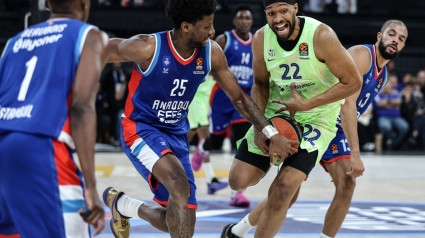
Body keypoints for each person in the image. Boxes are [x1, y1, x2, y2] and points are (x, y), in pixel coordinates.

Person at [102, 0, 297, 237]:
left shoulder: (211, 51)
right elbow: (99, 49)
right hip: (140, 128)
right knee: (178, 184)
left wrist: (270, 132)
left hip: (176, 134)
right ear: (186, 26)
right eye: (207, 26)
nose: (212, 31)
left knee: (180, 224)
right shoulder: (147, 47)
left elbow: (239, 99)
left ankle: (122, 205)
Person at [222, 19, 408, 238]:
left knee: (343, 184)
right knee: (286, 193)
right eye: (391, 34)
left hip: (334, 130)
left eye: (401, 39)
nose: (395, 40)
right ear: (379, 36)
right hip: (317, 120)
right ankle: (238, 230)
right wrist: (355, 154)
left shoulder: (383, 73)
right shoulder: (361, 54)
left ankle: (237, 231)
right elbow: (347, 106)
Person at [220, 0, 362, 237]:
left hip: (316, 118)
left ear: (295, 9)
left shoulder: (321, 35)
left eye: (283, 11)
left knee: (283, 190)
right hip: (277, 112)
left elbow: (353, 82)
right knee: (237, 181)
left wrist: (305, 104)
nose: (277, 19)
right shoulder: (261, 38)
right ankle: (238, 228)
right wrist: (260, 129)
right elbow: (261, 84)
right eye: (271, 13)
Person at [0, 0, 108, 237]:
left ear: (47, 2)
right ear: (84, 2)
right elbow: (81, 108)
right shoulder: (90, 36)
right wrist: (90, 187)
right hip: (42, 148)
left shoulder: (14, 42)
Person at [191, 4, 255, 207]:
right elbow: (205, 62)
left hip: (244, 97)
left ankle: (238, 193)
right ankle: (202, 151)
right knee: (216, 142)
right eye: (241, 18)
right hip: (222, 97)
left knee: (242, 143)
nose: (244, 21)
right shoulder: (224, 40)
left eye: (247, 18)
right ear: (235, 21)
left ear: (251, 21)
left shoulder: (258, 42)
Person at [187, 73, 229, 194]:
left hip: (203, 103)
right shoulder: (206, 59)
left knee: (190, 140)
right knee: (204, 139)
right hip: (195, 102)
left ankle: (211, 179)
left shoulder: (217, 63)